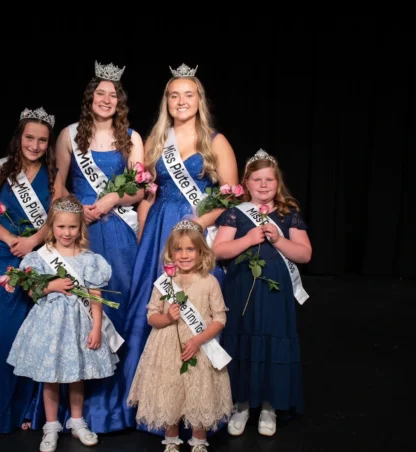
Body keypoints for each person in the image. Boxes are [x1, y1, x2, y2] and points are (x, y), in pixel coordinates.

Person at [123, 63, 238, 429]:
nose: (181, 101)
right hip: (159, 231)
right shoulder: (157, 139)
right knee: (158, 314)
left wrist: (195, 226)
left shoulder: (215, 141)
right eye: (175, 95)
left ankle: (196, 413)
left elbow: (231, 196)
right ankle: (158, 410)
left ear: (199, 100)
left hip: (196, 233)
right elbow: (146, 195)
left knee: (196, 315)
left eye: (189, 94)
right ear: (167, 102)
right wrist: (144, 234)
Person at [54, 60, 144, 432]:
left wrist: (110, 201)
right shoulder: (69, 135)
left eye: (113, 95)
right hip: (82, 233)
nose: (106, 99)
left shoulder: (132, 138)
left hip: (119, 230)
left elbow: (139, 189)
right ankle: (80, 411)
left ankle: (119, 407)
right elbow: (58, 186)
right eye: (100, 93)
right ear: (90, 98)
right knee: (80, 312)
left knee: (117, 307)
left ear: (119, 101)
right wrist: (77, 211)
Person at [6, 195, 120, 452]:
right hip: (50, 326)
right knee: (51, 377)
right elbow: (31, 291)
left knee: (77, 375)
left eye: (72, 227)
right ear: (51, 227)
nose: (66, 232)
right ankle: (51, 425)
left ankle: (77, 421)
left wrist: (96, 327)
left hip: (80, 325)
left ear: (80, 227)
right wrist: (52, 285)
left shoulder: (89, 259)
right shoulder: (41, 257)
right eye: (61, 226)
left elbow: (96, 298)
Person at [212, 149, 312, 437]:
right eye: (258, 179)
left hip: (276, 295)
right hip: (242, 290)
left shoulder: (288, 214)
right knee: (242, 341)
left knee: (272, 342)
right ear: (246, 182)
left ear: (277, 182)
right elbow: (218, 250)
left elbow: (304, 254)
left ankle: (270, 406)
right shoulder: (235, 213)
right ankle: (241, 405)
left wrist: (279, 240)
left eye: (269, 179)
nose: (264, 185)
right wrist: (247, 239)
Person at [0, 106, 63, 433]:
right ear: (19, 137)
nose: (35, 145)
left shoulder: (53, 173)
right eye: (30, 137)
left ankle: (30, 410)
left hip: (36, 258)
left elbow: (54, 218)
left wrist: (34, 241)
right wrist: (12, 238)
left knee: (33, 336)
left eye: (42, 140)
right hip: (2, 256)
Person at [127, 219, 232, 452]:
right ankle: (171, 441)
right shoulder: (165, 283)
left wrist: (197, 340)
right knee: (170, 391)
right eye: (178, 249)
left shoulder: (209, 281)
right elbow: (151, 315)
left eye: (190, 249)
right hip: (166, 347)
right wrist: (168, 318)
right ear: (171, 253)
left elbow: (220, 319)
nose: (184, 255)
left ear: (201, 252)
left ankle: (198, 441)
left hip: (199, 346)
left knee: (198, 391)